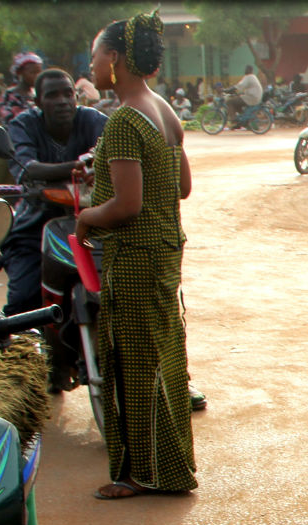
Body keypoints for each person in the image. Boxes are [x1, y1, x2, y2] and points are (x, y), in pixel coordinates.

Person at [75, 11, 197, 499]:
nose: (92, 64)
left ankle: (139, 474)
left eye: (95, 56)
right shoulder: (163, 108)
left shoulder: (124, 119)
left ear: (116, 59)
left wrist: (87, 216)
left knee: (132, 362)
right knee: (163, 355)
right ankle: (169, 466)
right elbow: (182, 187)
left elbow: (127, 206)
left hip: (134, 255)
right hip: (166, 251)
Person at [1, 68, 107, 319]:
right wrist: (77, 167)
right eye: (52, 95)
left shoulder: (94, 120)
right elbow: (28, 169)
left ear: (76, 97)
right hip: (35, 227)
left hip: (93, 226)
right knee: (21, 302)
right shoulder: (23, 124)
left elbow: (109, 156)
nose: (62, 101)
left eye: (68, 93)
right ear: (38, 102)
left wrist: (97, 161)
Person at [0, 51, 43, 124]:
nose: (37, 76)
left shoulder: (38, 94)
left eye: (39, 72)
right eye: (32, 72)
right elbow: (9, 122)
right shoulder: (8, 96)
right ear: (20, 72)